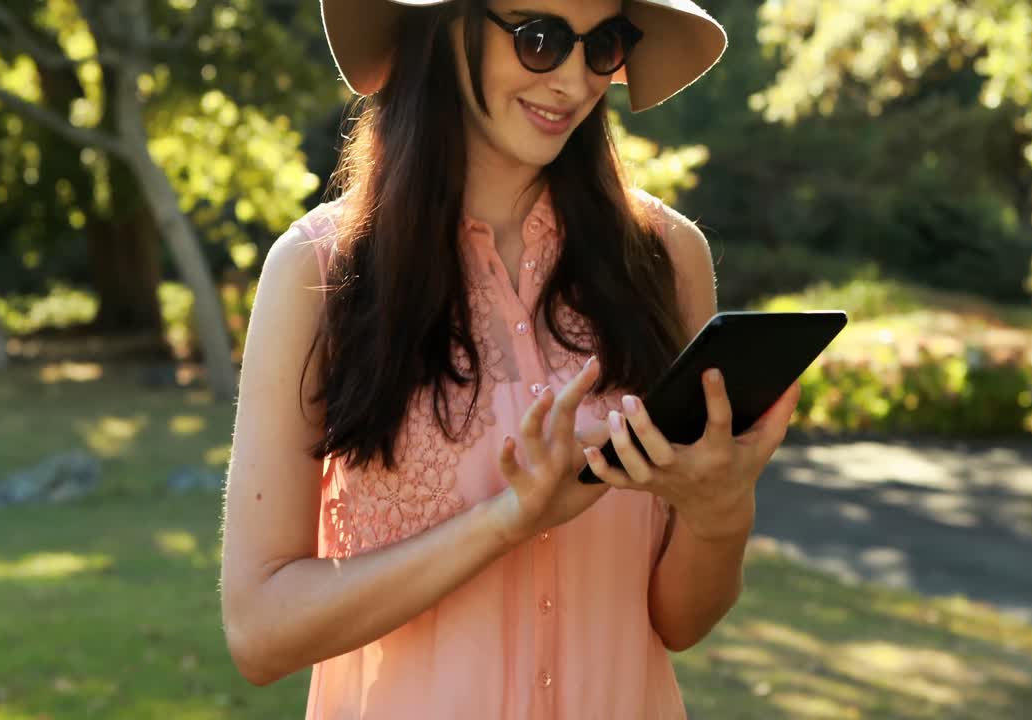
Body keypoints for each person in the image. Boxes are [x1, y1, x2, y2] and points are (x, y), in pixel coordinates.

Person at [218, 1, 802, 717]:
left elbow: (679, 624)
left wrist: (719, 509)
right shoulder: (317, 271)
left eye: (603, 44)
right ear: (446, 25)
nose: (574, 81)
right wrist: (507, 520)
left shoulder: (666, 258)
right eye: (539, 38)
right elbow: (259, 633)